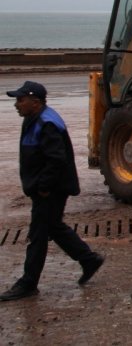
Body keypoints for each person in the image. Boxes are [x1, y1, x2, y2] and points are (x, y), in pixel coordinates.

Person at [1, 81, 104, 301]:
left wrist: (44, 187)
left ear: (35, 102)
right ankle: (88, 259)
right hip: (46, 188)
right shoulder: (34, 119)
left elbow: (56, 159)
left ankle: (28, 282)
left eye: (20, 100)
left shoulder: (46, 123)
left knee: (38, 235)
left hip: (51, 190)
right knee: (54, 227)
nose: (16, 105)